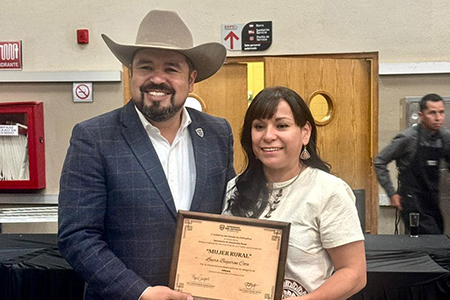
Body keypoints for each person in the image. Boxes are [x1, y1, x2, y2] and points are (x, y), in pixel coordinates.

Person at [58, 9, 235, 300]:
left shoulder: (217, 133)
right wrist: (139, 292)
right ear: (131, 74)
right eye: (145, 67)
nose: (157, 79)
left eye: (171, 68)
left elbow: (232, 215)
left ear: (191, 80)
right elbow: (77, 237)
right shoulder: (94, 137)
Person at [223, 86, 366, 300]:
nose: (268, 136)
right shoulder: (234, 188)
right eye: (259, 126)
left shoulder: (329, 191)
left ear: (305, 132)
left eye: (281, 125)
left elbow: (354, 274)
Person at [374, 93, 450, 234]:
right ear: (421, 115)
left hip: (433, 200)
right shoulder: (408, 138)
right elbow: (380, 161)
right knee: (429, 241)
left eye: (441, 112)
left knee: (439, 241)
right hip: (412, 201)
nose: (438, 118)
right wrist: (391, 193)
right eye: (432, 113)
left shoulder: (445, 138)